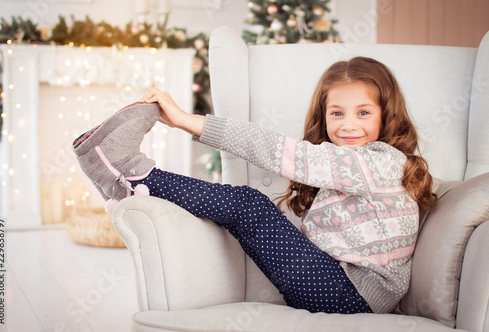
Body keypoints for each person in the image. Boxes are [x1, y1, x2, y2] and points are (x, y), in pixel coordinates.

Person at [73, 56, 437, 315]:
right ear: (324, 115)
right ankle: (127, 180)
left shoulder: (383, 161)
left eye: (363, 112)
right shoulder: (348, 167)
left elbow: (276, 150)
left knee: (249, 206)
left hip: (351, 296)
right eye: (336, 113)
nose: (348, 125)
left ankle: (130, 174)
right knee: (250, 208)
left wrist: (189, 121)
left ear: (386, 114)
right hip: (338, 287)